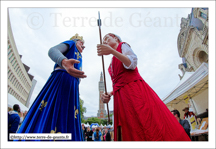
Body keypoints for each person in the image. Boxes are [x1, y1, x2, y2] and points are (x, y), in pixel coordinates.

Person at [97, 33, 191, 141]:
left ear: (115, 38)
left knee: (145, 123)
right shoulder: (111, 62)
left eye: (106, 38)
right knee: (129, 128)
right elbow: (120, 82)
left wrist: (113, 51)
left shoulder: (122, 46)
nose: (104, 42)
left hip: (134, 92)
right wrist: (110, 93)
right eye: (103, 41)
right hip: (121, 97)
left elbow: (132, 63)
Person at [16, 34, 87, 141]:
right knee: (54, 111)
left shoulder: (80, 56)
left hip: (72, 87)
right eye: (81, 42)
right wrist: (64, 62)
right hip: (61, 80)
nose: (83, 45)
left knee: (68, 116)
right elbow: (52, 50)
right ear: (75, 41)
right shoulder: (71, 44)